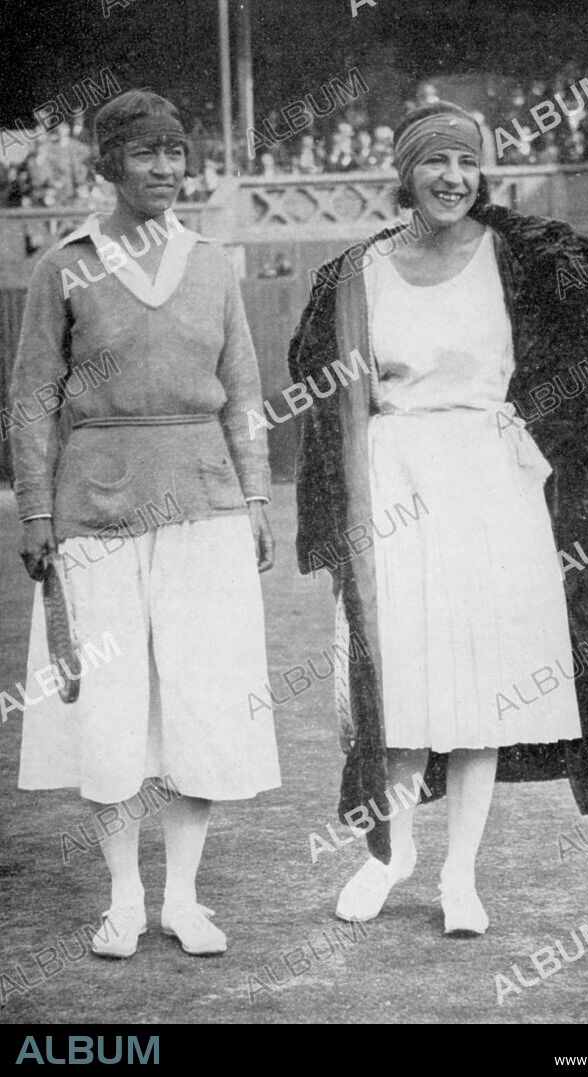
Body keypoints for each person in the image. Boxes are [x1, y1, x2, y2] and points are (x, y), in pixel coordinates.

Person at [289, 102, 588, 936]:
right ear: (405, 174)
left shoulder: (525, 255)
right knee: (400, 676)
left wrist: (542, 421)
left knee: (484, 685)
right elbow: (316, 376)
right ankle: (391, 855)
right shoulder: (360, 272)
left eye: (466, 161)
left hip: (493, 483)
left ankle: (460, 875)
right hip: (393, 483)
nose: (452, 177)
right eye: (433, 162)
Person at [10, 90, 281, 958]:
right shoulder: (65, 263)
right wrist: (37, 508)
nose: (166, 168)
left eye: (177, 152)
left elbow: (243, 391)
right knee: (113, 710)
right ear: (109, 164)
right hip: (96, 504)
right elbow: (29, 397)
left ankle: (185, 898)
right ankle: (124, 898)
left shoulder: (211, 261)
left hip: (204, 498)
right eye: (146, 153)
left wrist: (257, 496)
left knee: (201, 700)